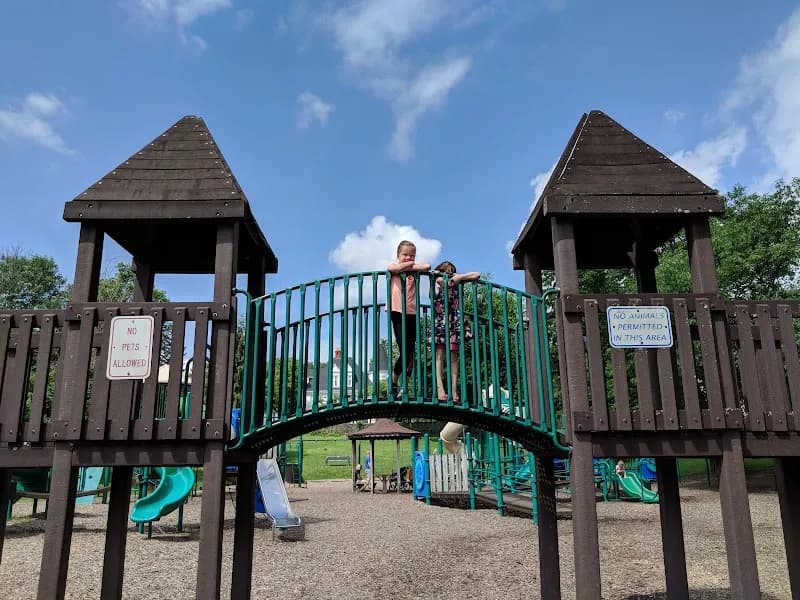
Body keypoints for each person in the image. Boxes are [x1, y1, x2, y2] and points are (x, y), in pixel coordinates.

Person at [388, 240, 430, 398]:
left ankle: (405, 386)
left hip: (411, 312)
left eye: (412, 255)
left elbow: (426, 266)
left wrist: (411, 266)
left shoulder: (414, 271)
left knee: (411, 351)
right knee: (404, 349)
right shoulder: (394, 267)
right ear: (398, 255)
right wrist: (410, 266)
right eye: (405, 254)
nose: (408, 257)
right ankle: (394, 382)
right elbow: (394, 268)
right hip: (397, 310)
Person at [432, 261, 480, 402]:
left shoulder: (457, 281)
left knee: (454, 357)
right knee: (439, 356)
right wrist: (453, 278)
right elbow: (444, 282)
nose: (449, 274)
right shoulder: (437, 281)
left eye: (451, 272)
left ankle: (454, 391)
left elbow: (476, 274)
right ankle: (440, 388)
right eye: (446, 271)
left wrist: (460, 277)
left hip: (454, 323)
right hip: (440, 322)